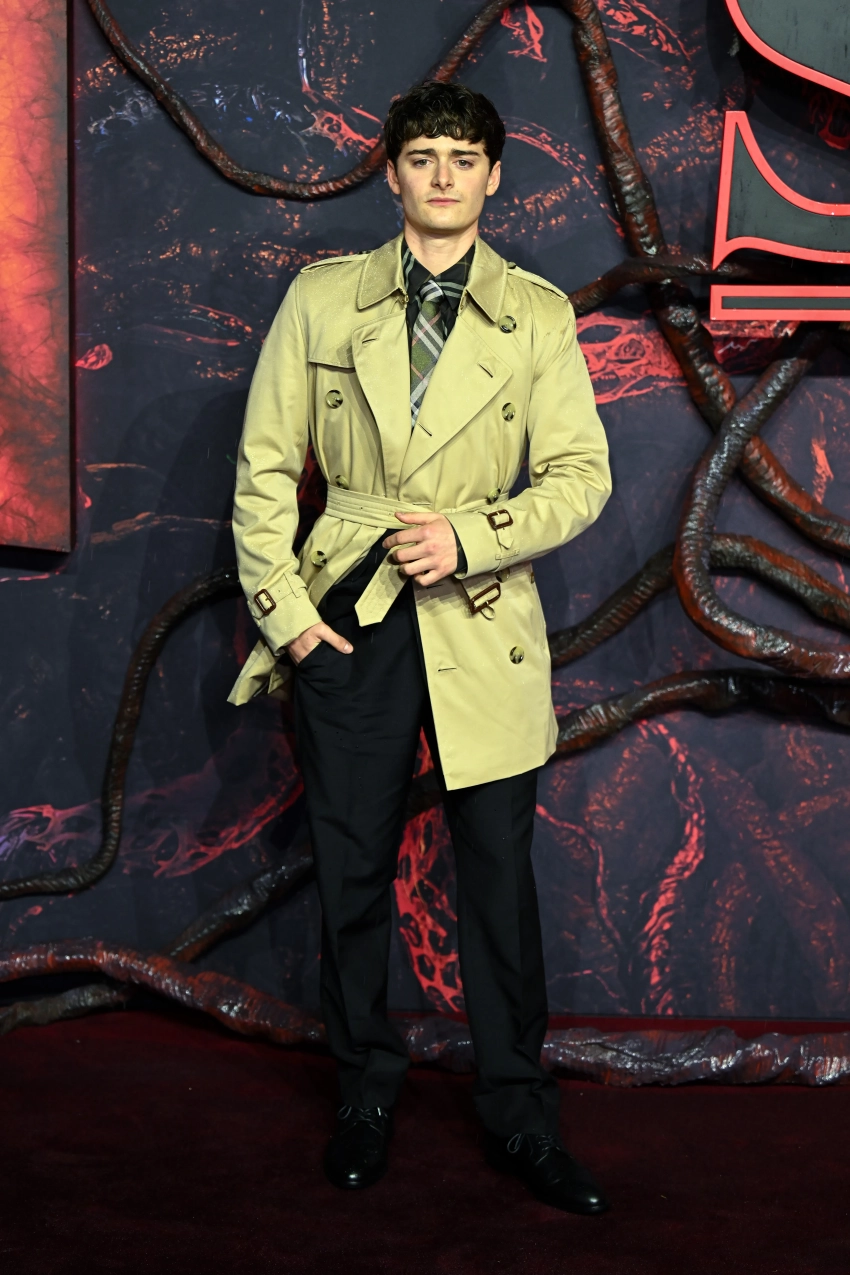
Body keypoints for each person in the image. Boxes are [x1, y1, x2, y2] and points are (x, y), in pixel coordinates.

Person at [229, 81, 612, 1214]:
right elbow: (262, 468)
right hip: (346, 611)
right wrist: (289, 619)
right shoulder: (321, 298)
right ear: (391, 172)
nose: (443, 174)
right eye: (423, 155)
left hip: (479, 615)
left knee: (496, 877)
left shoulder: (537, 314)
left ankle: (519, 1111)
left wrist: (472, 536)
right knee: (350, 870)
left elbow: (581, 477)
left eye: (463, 156)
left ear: (493, 175)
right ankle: (363, 1090)